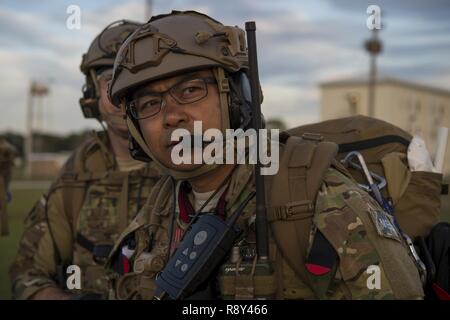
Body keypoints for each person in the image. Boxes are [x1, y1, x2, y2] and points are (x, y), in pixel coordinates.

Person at [106, 10, 424, 300]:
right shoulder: (156, 211)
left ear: (237, 98)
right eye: (150, 104)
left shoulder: (319, 200)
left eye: (190, 90)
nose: (171, 116)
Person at [9, 20, 161, 300]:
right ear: (92, 93)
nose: (125, 93)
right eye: (112, 81)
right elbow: (28, 273)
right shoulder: (76, 176)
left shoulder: (193, 169)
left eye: (141, 80)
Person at [0, 138, 16, 236]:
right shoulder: (8, 148)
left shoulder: (6, 148)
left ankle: (7, 198)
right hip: (5, 176)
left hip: (4, 176)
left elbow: (11, 162)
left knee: (5, 195)